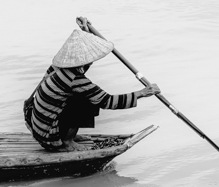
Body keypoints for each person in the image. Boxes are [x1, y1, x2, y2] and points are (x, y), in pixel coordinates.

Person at [23, 24, 160, 151]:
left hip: (39, 129)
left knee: (83, 95)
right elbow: (107, 101)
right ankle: (67, 141)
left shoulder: (58, 68)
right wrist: (142, 93)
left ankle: (68, 135)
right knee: (87, 100)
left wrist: (86, 31)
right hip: (49, 137)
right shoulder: (75, 79)